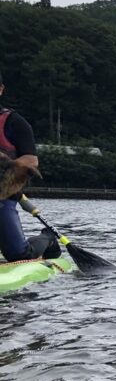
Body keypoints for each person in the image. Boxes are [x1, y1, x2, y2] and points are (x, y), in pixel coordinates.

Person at [0, 70, 61, 262]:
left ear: (0, 90)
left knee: (18, 255)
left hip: (3, 194)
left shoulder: (15, 122)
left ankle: (48, 238)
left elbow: (31, 162)